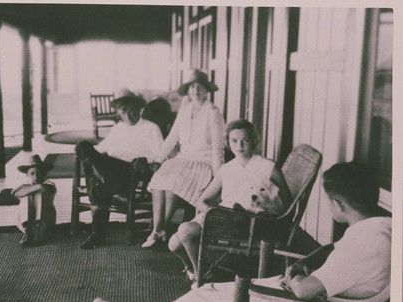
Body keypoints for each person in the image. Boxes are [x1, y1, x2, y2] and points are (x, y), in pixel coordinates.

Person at [92, 162, 391, 302]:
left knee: (207, 301)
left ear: (338, 204)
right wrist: (308, 260)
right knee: (210, 292)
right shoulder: (382, 227)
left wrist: (295, 276)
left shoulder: (365, 244)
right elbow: (335, 252)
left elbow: (304, 290)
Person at [169, 119, 292, 285]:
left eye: (245, 140)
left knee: (185, 232)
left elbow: (287, 202)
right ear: (227, 143)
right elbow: (203, 200)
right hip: (222, 217)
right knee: (174, 243)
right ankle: (193, 269)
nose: (239, 145)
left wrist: (268, 212)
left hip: (249, 223)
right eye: (234, 141)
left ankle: (200, 276)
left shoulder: (267, 167)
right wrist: (209, 214)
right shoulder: (227, 169)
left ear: (254, 141)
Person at [143, 69, 225, 248]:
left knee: (174, 181)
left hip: (204, 162)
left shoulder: (213, 112)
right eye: (193, 86)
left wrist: (219, 177)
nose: (196, 90)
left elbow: (219, 147)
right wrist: (159, 159)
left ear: (207, 91)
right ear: (188, 90)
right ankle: (157, 229)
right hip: (184, 158)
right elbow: (172, 137)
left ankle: (161, 228)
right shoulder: (185, 110)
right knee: (160, 177)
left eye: (200, 87)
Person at [76, 88, 164, 250]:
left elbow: (160, 155)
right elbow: (100, 149)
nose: (125, 114)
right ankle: (101, 179)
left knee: (95, 179)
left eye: (128, 108)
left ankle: (97, 234)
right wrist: (88, 155)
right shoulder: (118, 128)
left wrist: (146, 159)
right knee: (82, 146)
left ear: (138, 107)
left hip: (129, 173)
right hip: (109, 171)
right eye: (122, 111)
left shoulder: (151, 128)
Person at [13, 155, 57, 246]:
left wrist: (37, 187)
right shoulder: (24, 185)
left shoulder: (49, 184)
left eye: (39, 173)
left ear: (44, 173)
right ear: (27, 175)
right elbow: (16, 194)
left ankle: (38, 230)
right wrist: (37, 187)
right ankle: (28, 230)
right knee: (27, 196)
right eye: (32, 173)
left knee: (39, 195)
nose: (36, 176)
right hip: (24, 222)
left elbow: (49, 189)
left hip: (45, 221)